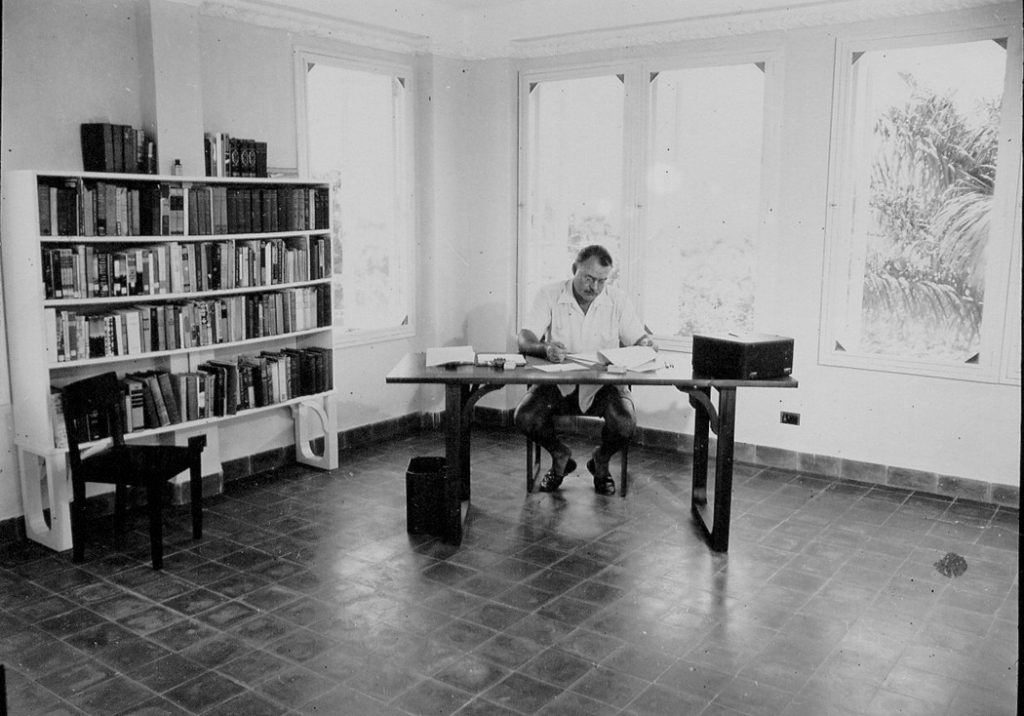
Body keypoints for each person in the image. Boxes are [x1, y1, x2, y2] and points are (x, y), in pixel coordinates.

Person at [514, 244, 656, 496]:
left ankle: (600, 460)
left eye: (602, 281)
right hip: (559, 385)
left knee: (625, 424)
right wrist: (545, 348)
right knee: (524, 416)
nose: (595, 287)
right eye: (588, 278)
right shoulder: (549, 294)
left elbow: (639, 338)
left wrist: (645, 343)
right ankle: (560, 455)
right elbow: (525, 339)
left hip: (603, 387)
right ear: (574, 270)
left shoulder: (617, 299)